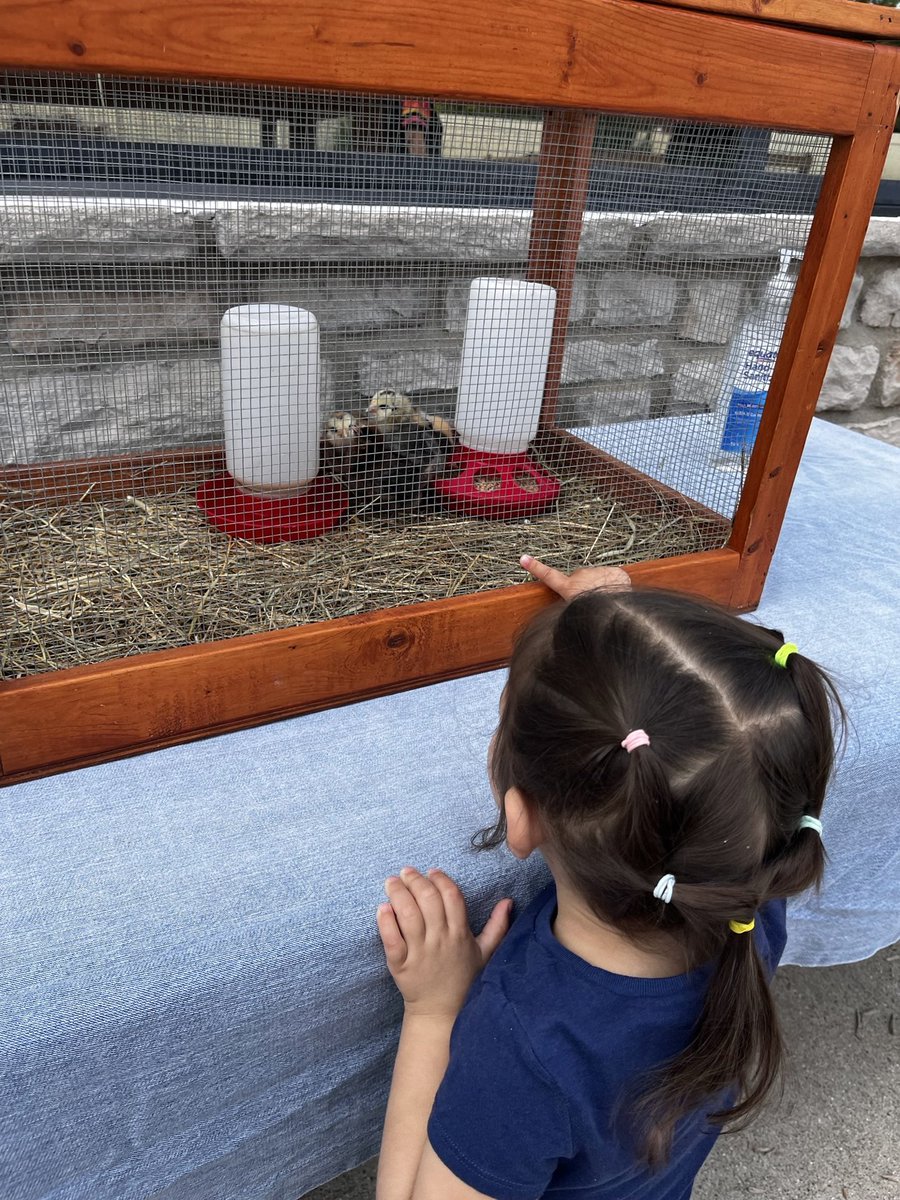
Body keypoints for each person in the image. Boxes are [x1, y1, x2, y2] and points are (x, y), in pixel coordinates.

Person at [375, 554, 843, 1200]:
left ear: (520, 818)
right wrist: (612, 621)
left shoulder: (525, 1047)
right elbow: (704, 741)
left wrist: (434, 1010)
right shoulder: (749, 900)